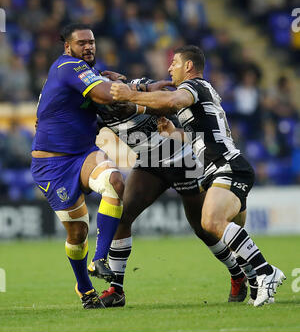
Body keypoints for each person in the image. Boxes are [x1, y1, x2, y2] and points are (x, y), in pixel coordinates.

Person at [110, 45, 286, 307]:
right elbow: (198, 134)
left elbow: (170, 101)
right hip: (224, 168)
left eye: (175, 63)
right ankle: (257, 278)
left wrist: (130, 94)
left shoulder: (194, 86)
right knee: (228, 234)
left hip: (227, 167)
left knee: (210, 222)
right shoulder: (200, 94)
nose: (170, 68)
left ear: (189, 67)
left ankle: (266, 272)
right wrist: (174, 133)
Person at [31, 23, 171, 310]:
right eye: (81, 43)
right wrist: (143, 92)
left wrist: (146, 95)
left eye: (92, 42)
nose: (89, 47)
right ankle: (84, 287)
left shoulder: (89, 73)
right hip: (52, 164)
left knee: (115, 181)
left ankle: (100, 259)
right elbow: (107, 96)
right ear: (68, 47)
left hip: (83, 154)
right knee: (77, 233)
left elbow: (113, 99)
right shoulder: (68, 67)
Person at [89, 77, 257, 308]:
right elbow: (84, 130)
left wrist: (147, 99)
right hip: (149, 163)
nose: (110, 85)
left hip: (182, 161)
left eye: (111, 79)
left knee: (203, 228)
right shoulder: (98, 108)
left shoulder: (138, 85)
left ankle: (237, 273)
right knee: (122, 216)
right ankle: (116, 289)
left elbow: (171, 99)